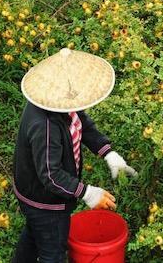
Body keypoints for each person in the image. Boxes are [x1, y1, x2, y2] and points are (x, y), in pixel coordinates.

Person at [12, 48, 137, 263]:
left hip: (36, 195)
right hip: (45, 201)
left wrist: (108, 152)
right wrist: (87, 193)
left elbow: (83, 124)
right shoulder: (46, 126)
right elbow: (51, 176)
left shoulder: (61, 105)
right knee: (53, 252)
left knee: (35, 234)